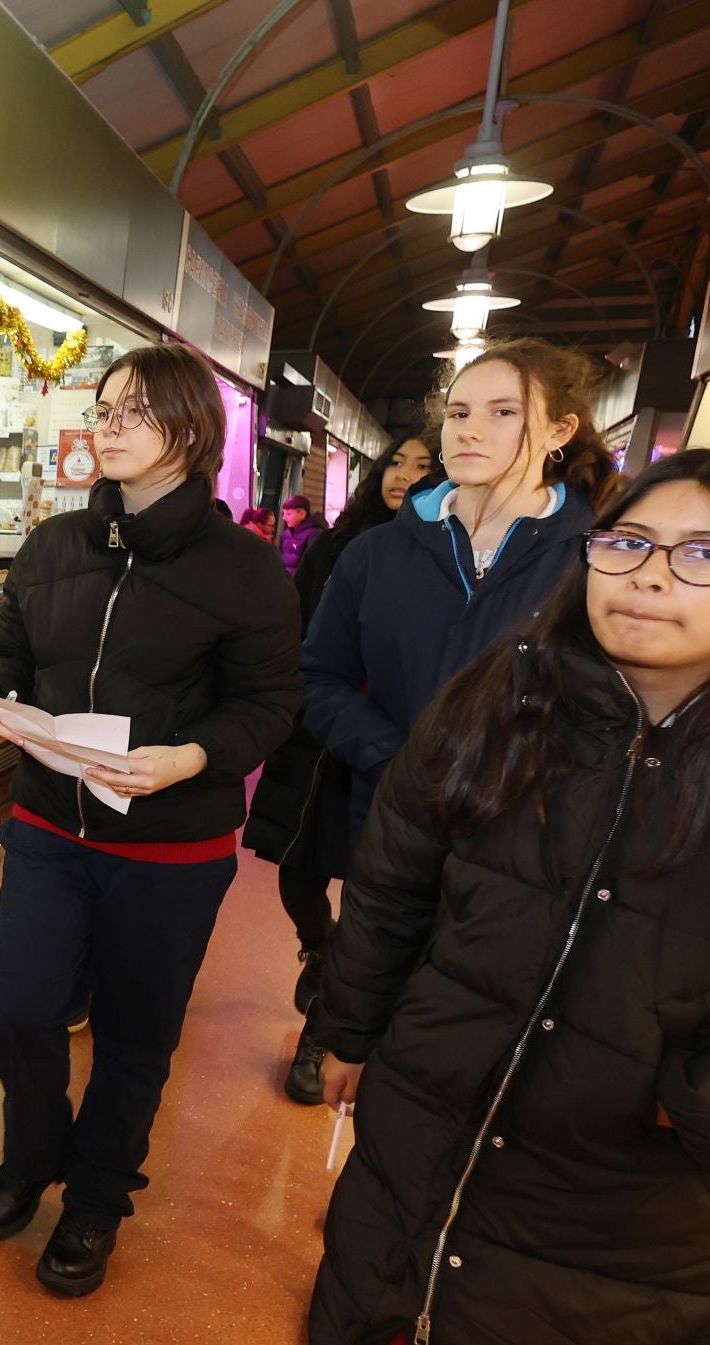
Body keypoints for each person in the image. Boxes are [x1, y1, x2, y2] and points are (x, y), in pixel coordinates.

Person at [309, 449, 710, 1345]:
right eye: (626, 544)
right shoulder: (499, 699)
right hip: (421, 1142)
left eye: (709, 555)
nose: (651, 577)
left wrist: (702, 1107)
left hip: (641, 1227)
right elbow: (393, 883)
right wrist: (350, 1030)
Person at [0, 344, 300, 1298]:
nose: (106, 426)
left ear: (191, 433)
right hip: (51, 827)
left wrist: (193, 756)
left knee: (134, 1034)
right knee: (19, 1004)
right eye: (102, 408)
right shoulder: (54, 545)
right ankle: (32, 1155)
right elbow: (7, 658)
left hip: (172, 845)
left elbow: (271, 703)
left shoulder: (244, 572)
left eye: (132, 412)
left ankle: (97, 1200)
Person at [293, 338, 619, 1104]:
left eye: (503, 413)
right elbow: (320, 675)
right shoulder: (379, 553)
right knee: (374, 983)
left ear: (560, 431)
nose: (469, 430)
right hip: (392, 820)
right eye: (459, 412)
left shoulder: (595, 559)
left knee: (478, 1034)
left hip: (524, 840)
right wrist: (396, 755)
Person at [240, 435, 435, 1104]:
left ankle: (322, 1032)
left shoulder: (443, 563)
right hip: (320, 740)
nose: (405, 477)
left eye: (423, 468)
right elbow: (293, 633)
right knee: (298, 871)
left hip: (395, 751)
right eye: (397, 463)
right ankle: (317, 949)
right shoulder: (336, 545)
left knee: (369, 897)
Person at [279, 494, 327, 574]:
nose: (284, 518)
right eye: (283, 514)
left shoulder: (314, 533)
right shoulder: (286, 534)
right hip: (285, 582)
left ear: (302, 514)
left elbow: (314, 563)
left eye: (289, 514)